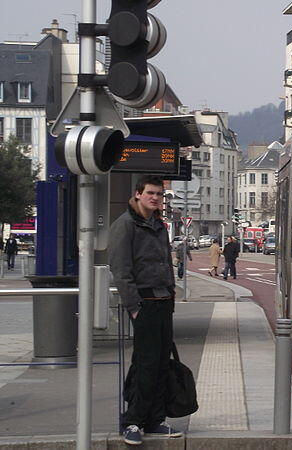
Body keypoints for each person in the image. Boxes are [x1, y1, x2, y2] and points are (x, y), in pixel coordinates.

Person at [108, 176, 183, 445]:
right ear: (138, 194)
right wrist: (134, 307)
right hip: (145, 303)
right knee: (146, 364)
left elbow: (165, 263)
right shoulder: (126, 225)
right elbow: (121, 269)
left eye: (159, 194)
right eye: (150, 193)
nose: (155, 198)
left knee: (162, 362)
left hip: (163, 303)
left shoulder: (158, 226)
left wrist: (172, 295)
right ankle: (133, 421)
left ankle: (154, 419)